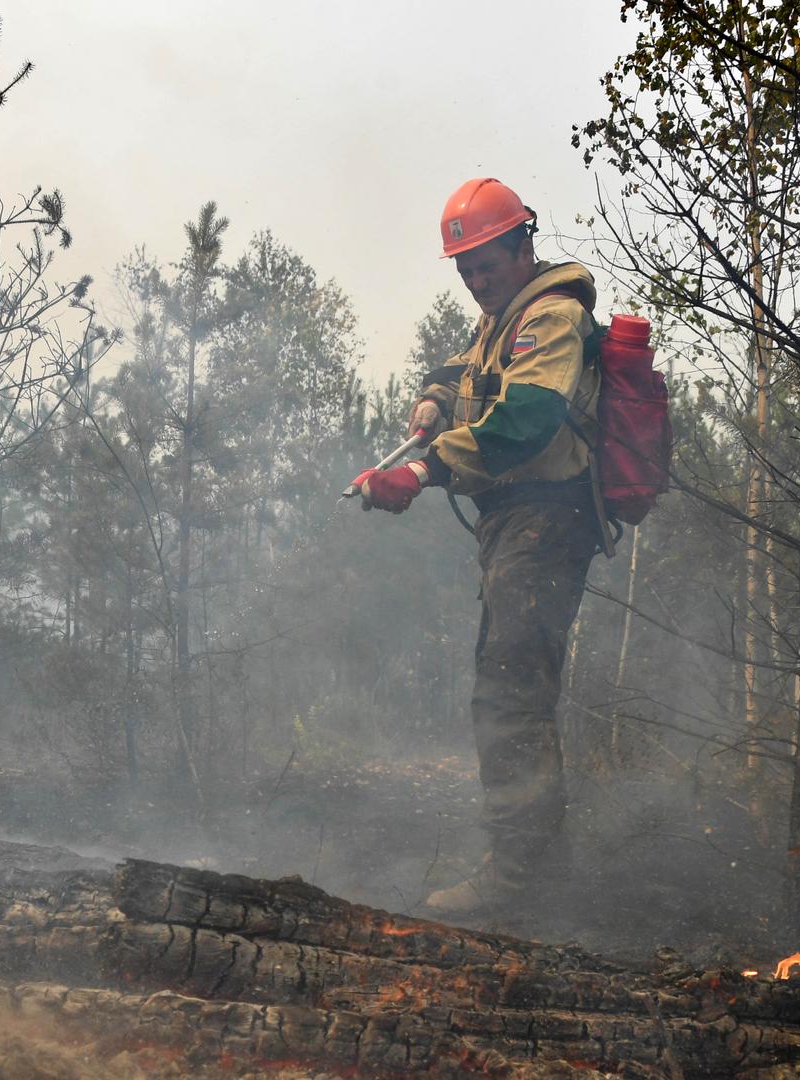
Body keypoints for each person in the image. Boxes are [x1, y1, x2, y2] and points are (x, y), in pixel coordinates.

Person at [351, 177, 602, 916]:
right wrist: (434, 398)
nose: (476, 280)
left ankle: (524, 882)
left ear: (524, 244)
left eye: (486, 264)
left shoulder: (549, 317)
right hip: (516, 522)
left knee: (510, 693)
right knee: (508, 687)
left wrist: (424, 469)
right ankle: (534, 870)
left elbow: (526, 418)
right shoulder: (504, 318)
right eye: (464, 270)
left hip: (547, 520)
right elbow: (467, 370)